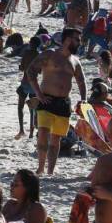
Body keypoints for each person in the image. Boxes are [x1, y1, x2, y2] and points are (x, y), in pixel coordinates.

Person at [27, 28, 87, 176]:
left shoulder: (75, 61)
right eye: (76, 39)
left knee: (56, 139)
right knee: (43, 134)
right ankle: (41, 167)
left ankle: (50, 171)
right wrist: (39, 94)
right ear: (67, 39)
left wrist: (83, 99)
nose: (79, 43)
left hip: (63, 103)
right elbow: (30, 71)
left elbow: (81, 81)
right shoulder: (50, 54)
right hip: (47, 100)